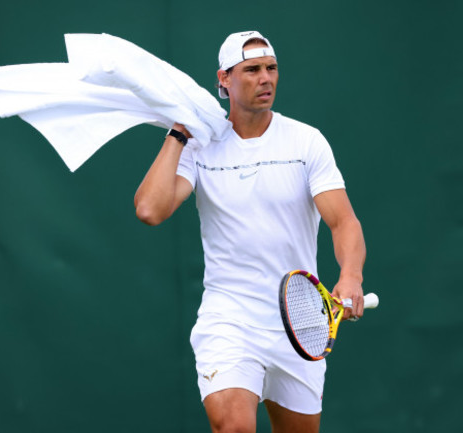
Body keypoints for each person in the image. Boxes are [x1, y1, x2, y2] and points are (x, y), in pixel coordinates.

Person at [134, 30, 366, 433]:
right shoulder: (200, 146)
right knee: (234, 427)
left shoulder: (306, 141)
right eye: (252, 70)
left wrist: (350, 276)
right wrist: (178, 133)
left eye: (271, 68)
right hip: (230, 319)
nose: (266, 78)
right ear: (223, 79)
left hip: (301, 324)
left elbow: (343, 221)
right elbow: (150, 210)